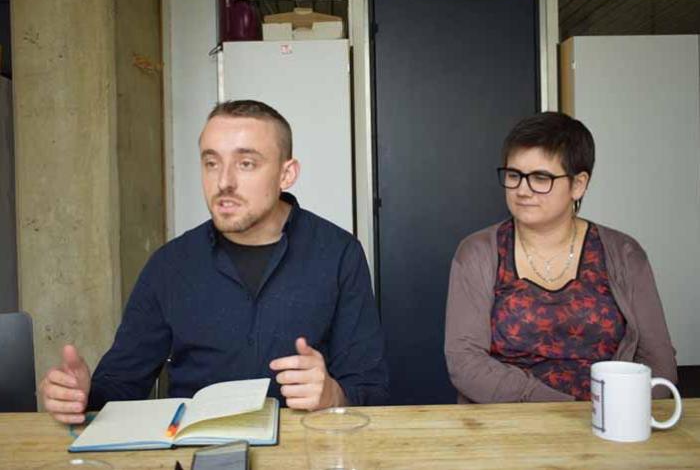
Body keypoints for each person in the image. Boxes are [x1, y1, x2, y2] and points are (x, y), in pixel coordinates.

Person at [40, 100, 389, 423]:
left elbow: (372, 390)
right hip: (195, 453)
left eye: (246, 163)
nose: (224, 182)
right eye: (211, 163)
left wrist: (332, 394)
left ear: (287, 174)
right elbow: (120, 384)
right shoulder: (170, 265)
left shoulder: (338, 253)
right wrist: (81, 397)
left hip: (304, 453)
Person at [444, 112, 677, 403]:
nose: (522, 190)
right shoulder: (478, 252)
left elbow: (659, 361)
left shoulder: (624, 254)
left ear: (578, 185)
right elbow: (465, 363)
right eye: (514, 176)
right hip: (508, 423)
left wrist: (621, 414)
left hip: (611, 421)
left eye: (541, 178)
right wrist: (565, 411)